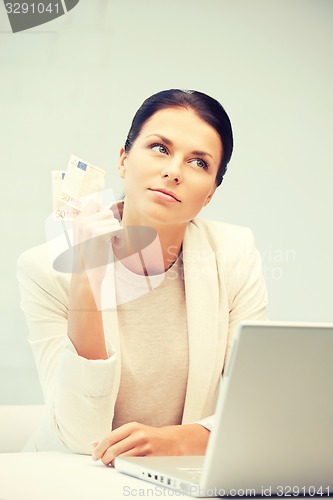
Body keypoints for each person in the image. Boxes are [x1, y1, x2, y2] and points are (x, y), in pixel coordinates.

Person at [17, 89, 268, 464]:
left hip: (179, 476)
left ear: (212, 192)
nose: (173, 171)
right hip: (69, 477)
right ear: (123, 160)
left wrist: (176, 442)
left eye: (199, 163)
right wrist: (86, 278)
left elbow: (254, 406)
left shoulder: (233, 253)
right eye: (160, 148)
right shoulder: (44, 270)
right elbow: (79, 434)